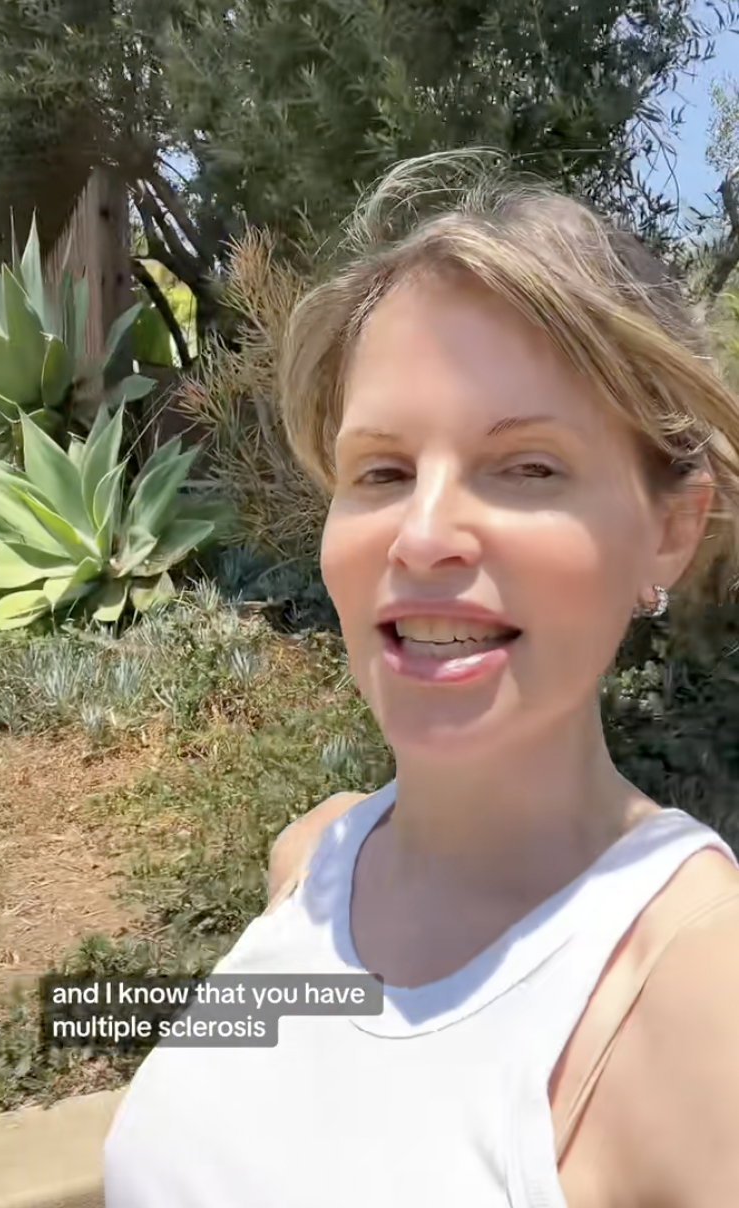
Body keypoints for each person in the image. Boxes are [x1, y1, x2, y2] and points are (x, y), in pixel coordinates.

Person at [104, 151, 739, 1208]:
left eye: (527, 467)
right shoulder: (313, 861)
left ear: (671, 529)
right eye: (384, 471)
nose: (424, 533)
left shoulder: (691, 990)